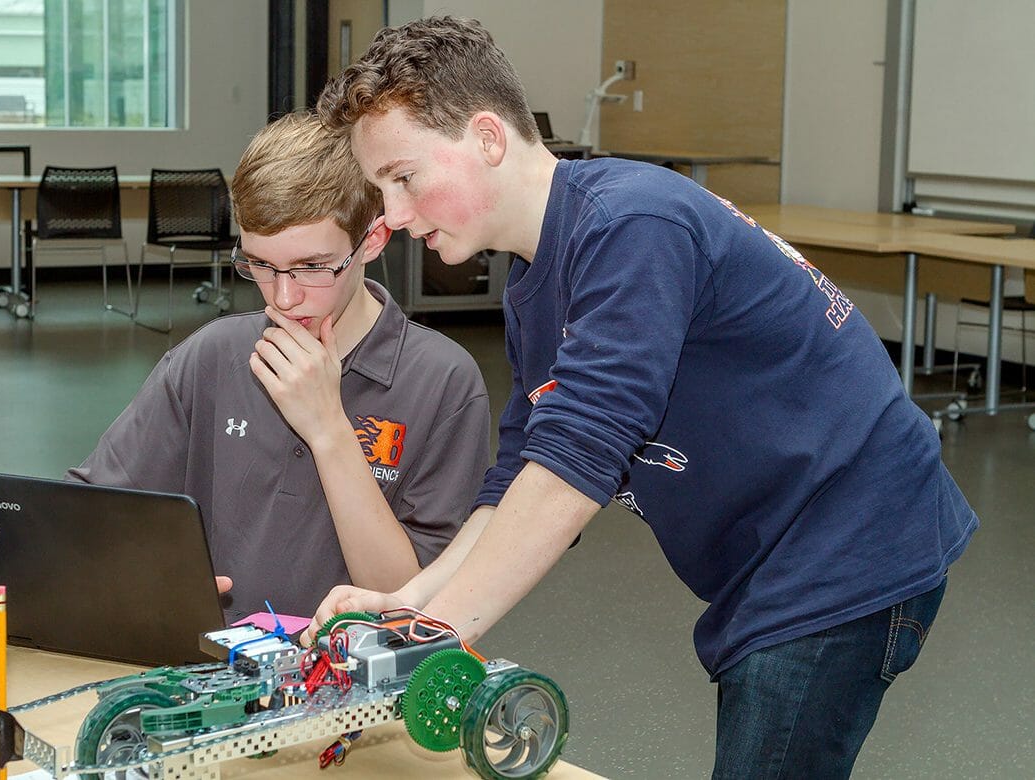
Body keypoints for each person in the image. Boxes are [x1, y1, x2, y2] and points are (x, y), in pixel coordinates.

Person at [305, 16, 978, 778]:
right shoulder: (534, 282)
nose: (393, 215)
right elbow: (523, 469)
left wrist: (433, 639)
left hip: (851, 537)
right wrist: (409, 605)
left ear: (487, 137)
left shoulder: (631, 226)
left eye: (403, 178)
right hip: (775, 552)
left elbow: (572, 470)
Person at [68, 110, 491, 623]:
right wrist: (149, 572)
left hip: (351, 667)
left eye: (312, 267)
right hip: (214, 661)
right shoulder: (212, 356)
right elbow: (89, 513)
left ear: (373, 240)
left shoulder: (443, 382)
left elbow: (408, 602)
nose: (284, 298)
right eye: (262, 265)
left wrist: (328, 428)